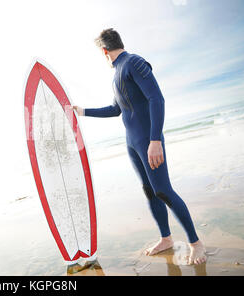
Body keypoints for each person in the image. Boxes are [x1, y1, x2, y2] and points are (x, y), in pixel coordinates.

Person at [72, 28, 207, 265]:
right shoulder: (116, 76)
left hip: (147, 140)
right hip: (132, 143)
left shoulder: (134, 62)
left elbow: (157, 98)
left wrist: (155, 140)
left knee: (163, 190)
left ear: (104, 51)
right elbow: (116, 109)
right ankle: (166, 238)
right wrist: (82, 112)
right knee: (150, 190)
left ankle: (196, 243)